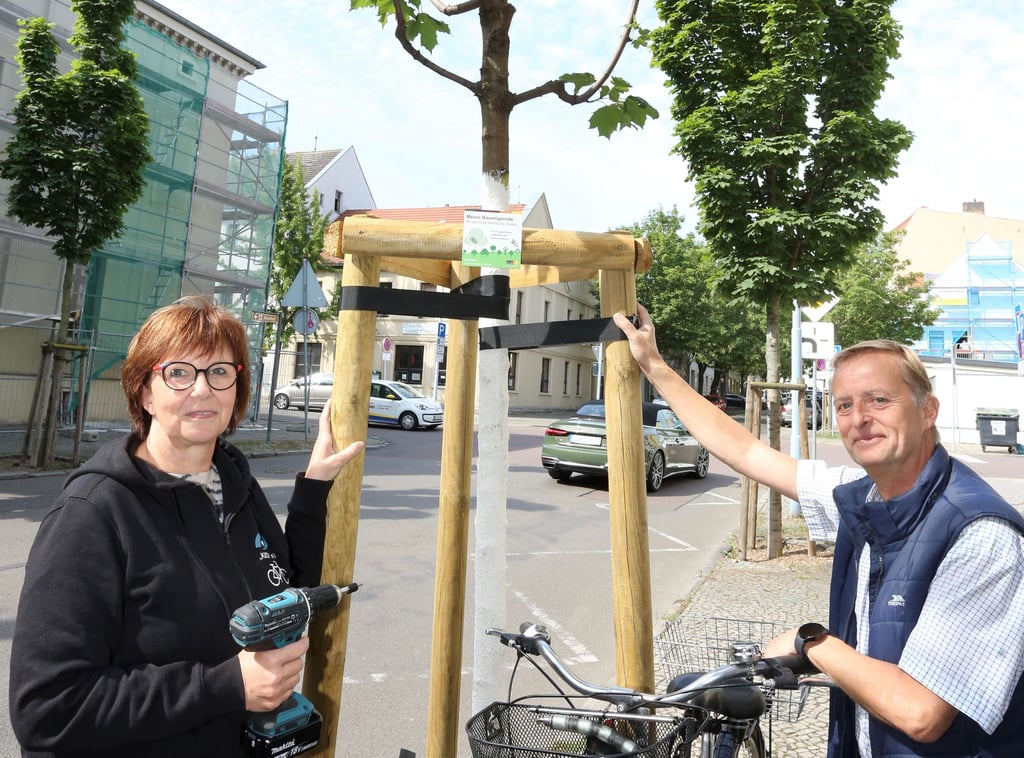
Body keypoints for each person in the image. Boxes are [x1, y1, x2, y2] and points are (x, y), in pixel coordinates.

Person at [613, 305, 1024, 757]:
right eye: (844, 405)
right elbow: (746, 452)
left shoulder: (980, 533)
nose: (859, 418)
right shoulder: (862, 498)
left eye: (878, 400)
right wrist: (654, 365)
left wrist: (811, 643)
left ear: (928, 411)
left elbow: (921, 711)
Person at [9, 297, 364, 757]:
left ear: (237, 386)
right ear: (144, 393)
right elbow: (47, 709)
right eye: (179, 372)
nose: (203, 389)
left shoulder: (233, 483)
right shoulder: (92, 514)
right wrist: (226, 686)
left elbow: (284, 593)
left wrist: (313, 489)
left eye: (219, 371)